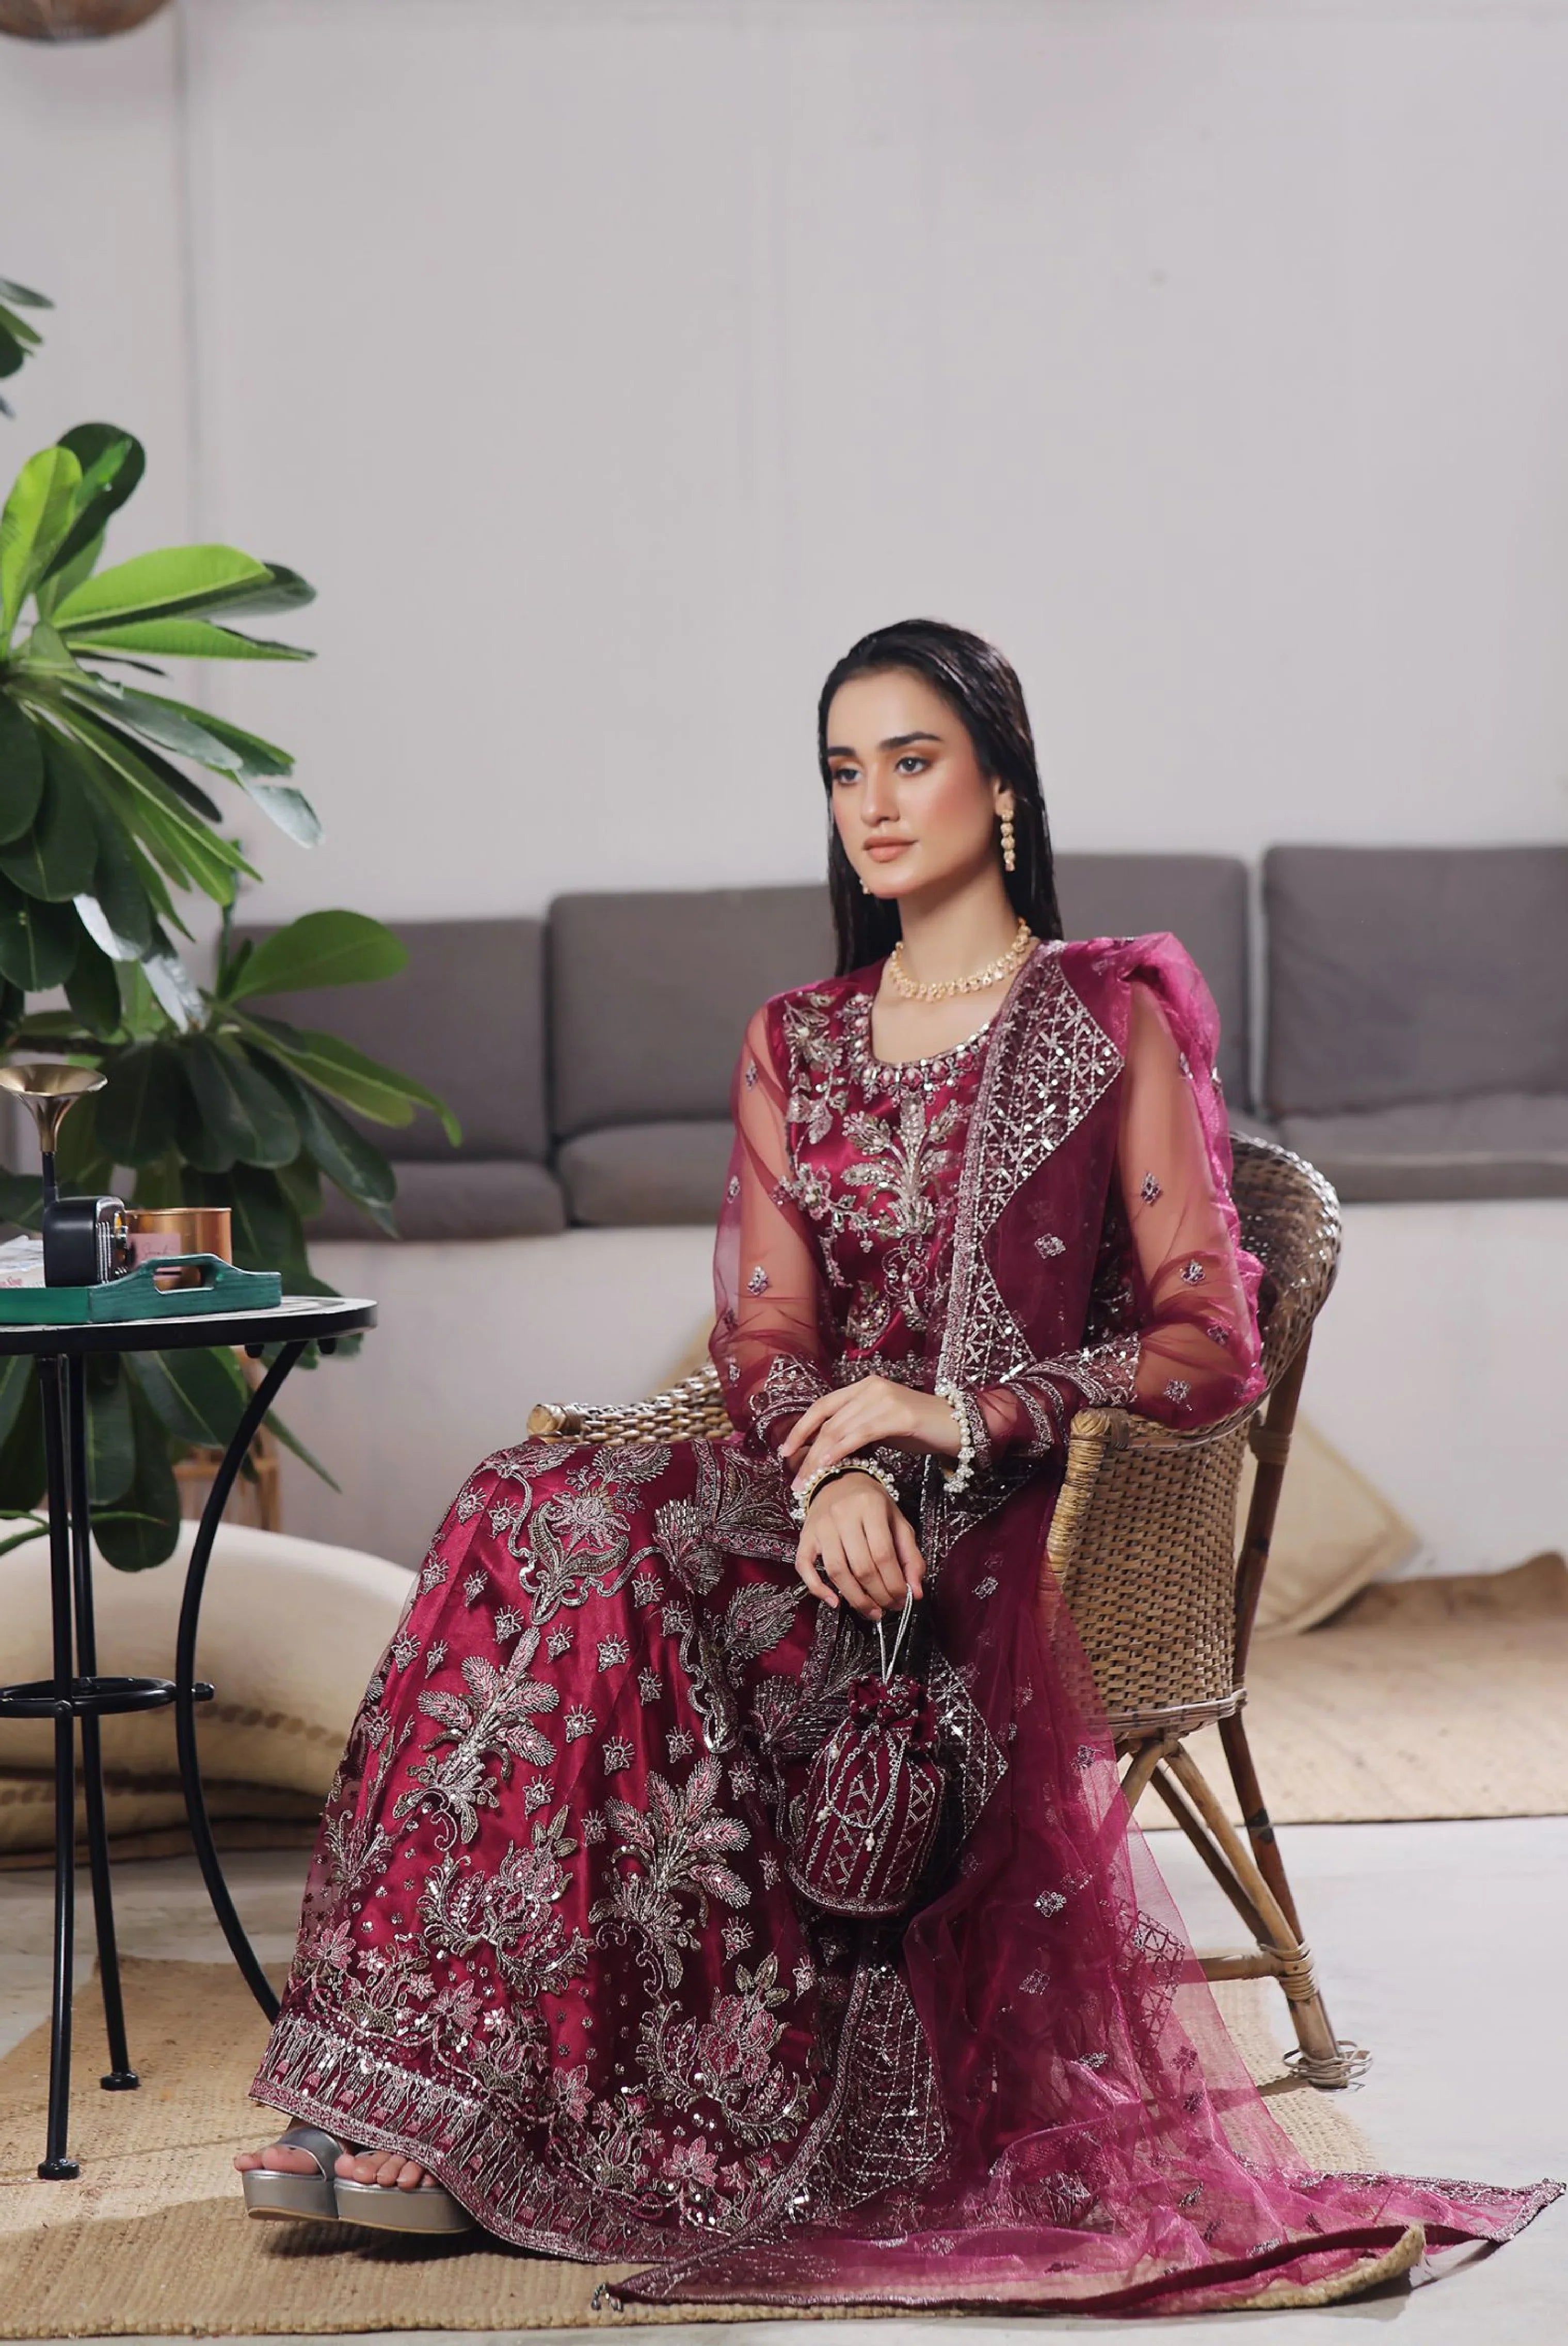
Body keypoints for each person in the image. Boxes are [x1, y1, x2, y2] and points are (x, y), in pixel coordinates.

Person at [236, 621, 1557, 2312]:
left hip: (998, 1537)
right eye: (843, 770)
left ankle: (496, 2112)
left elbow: (1208, 1341)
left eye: (912, 761)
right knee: (527, 1498)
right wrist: (832, 1476)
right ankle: (441, 2079)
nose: (872, 802)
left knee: (600, 1547)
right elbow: (767, 1336)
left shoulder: (1105, 1019)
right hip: (817, 1499)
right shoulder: (795, 1036)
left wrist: (961, 1418)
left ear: (1001, 784)